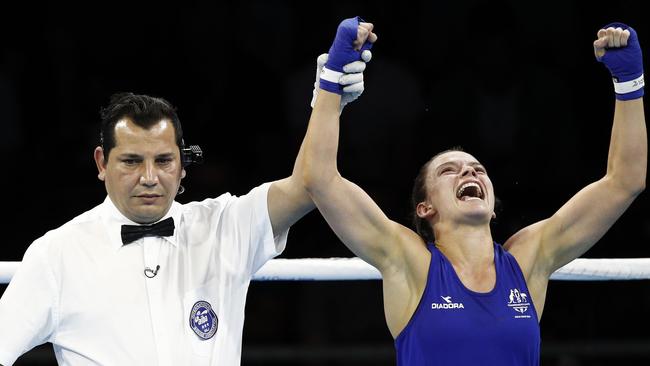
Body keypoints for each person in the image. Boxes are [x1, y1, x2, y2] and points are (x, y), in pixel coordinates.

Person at [302, 18, 645, 365]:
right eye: (449, 170)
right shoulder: (409, 262)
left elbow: (624, 181)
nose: (468, 170)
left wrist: (629, 82)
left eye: (478, 169)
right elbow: (319, 179)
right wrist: (331, 81)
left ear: (493, 204)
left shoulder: (528, 260)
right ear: (425, 208)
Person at [0, 51, 369, 366]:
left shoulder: (225, 227)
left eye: (163, 161)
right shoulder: (58, 254)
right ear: (101, 163)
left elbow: (308, 183)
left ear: (182, 163)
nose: (149, 178)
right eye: (131, 161)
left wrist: (329, 95)